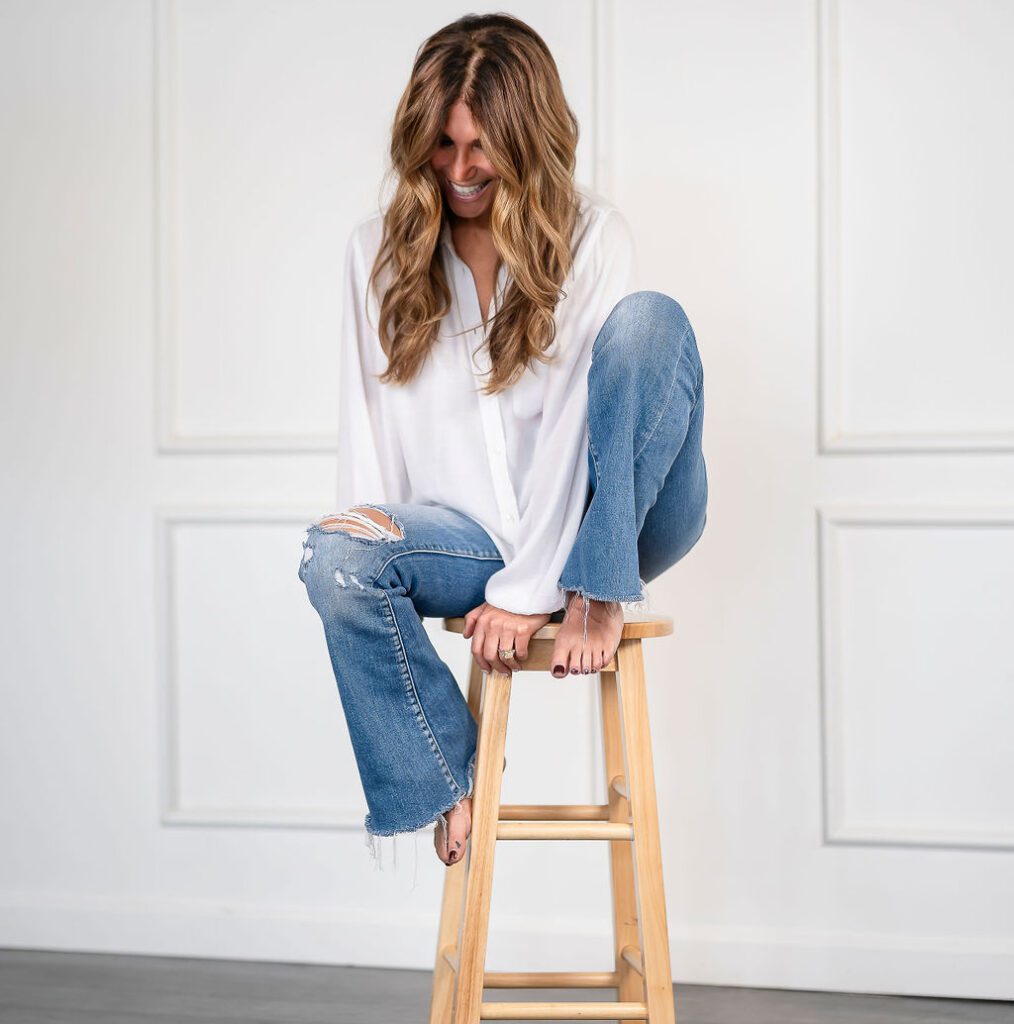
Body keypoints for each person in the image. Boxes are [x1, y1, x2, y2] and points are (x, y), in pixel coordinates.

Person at [298, 13, 707, 871]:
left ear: (528, 136)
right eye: (441, 146)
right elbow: (366, 420)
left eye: (479, 147)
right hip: (472, 539)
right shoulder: (375, 253)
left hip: (619, 517)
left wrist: (542, 592)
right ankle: (444, 777)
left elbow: (572, 432)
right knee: (336, 555)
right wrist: (377, 543)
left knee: (649, 325)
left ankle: (599, 589)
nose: (458, 170)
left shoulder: (592, 236)